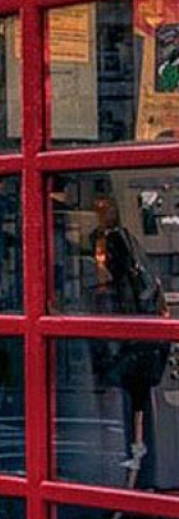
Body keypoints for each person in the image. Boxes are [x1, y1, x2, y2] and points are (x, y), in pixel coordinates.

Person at [92, 194, 171, 489]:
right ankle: (138, 470)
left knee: (135, 410)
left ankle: (141, 474)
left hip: (136, 353)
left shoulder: (122, 286)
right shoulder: (137, 280)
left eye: (101, 255)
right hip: (141, 350)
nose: (99, 260)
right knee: (135, 412)